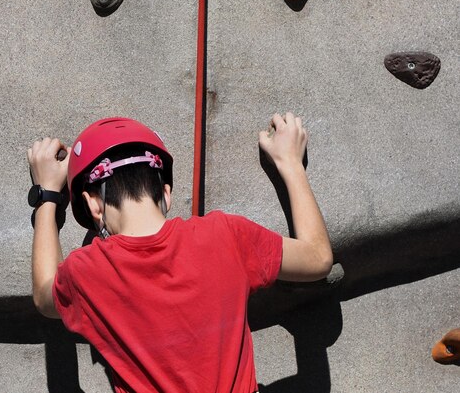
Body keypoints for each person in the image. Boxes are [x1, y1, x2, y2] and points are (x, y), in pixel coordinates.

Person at [27, 113, 333, 392]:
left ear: (93, 204)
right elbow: (318, 258)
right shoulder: (225, 235)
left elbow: (44, 295)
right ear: (165, 193)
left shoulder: (88, 272)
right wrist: (290, 162)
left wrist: (47, 195)